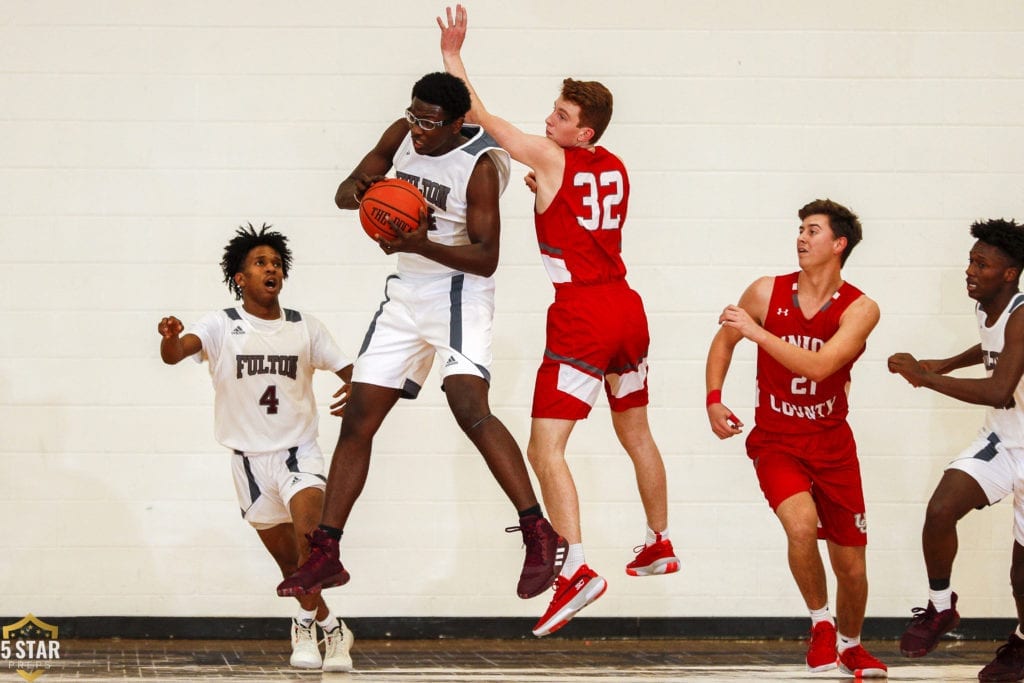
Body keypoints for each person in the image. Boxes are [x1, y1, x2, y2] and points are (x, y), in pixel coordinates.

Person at [276, 71, 565, 602]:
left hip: (458, 289)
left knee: (468, 405)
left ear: (457, 123)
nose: (418, 129)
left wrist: (420, 241)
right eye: (414, 115)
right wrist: (359, 192)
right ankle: (327, 551)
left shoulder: (479, 166)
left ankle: (538, 532)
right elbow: (346, 194)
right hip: (407, 290)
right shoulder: (401, 135)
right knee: (360, 417)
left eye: (430, 122)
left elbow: (486, 258)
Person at [438, 5, 680, 638]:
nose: (550, 120)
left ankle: (577, 571)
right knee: (638, 434)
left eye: (563, 118)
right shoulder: (614, 165)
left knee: (546, 449)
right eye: (553, 111)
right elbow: (572, 207)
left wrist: (454, 59)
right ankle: (660, 540)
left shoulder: (552, 157)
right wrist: (546, 190)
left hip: (584, 316)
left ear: (585, 133)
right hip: (628, 309)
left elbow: (485, 122)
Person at [157, 224, 355, 672]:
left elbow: (350, 371)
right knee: (292, 570)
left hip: (299, 453)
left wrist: (359, 392)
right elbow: (175, 354)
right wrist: (170, 337)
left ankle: (302, 629)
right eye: (260, 263)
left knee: (311, 550)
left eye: (277, 263)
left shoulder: (305, 326)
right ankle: (333, 629)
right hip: (248, 463)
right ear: (241, 278)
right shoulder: (221, 325)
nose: (272, 269)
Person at [705, 199, 887, 678]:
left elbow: (821, 365)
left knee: (853, 568)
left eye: (813, 230)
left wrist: (757, 335)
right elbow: (725, 340)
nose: (801, 238)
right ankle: (820, 623)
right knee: (801, 526)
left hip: (833, 446)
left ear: (839, 244)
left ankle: (851, 646)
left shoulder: (862, 308)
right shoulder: (767, 291)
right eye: (800, 230)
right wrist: (714, 397)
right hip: (778, 440)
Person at [889, 218, 1024, 682]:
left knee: (1021, 576)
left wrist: (926, 378)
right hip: (1002, 440)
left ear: (1009, 274)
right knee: (940, 510)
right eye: (970, 259)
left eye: (981, 264)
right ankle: (941, 608)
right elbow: (992, 347)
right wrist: (943, 363)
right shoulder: (989, 306)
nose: (969, 270)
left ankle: (1022, 645)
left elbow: (998, 388)